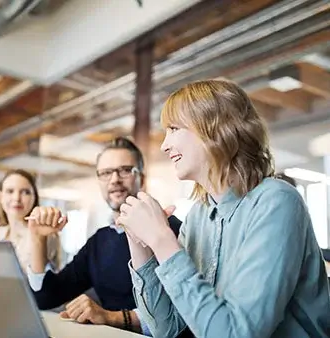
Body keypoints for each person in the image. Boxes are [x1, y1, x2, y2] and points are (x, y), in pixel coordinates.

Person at [118, 79, 330, 338]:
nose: (164, 145)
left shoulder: (277, 201)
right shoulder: (199, 215)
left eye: (173, 129)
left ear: (215, 129)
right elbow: (168, 328)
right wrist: (140, 242)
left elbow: (236, 334)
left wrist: (163, 240)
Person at [27, 137, 181, 335]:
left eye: (125, 170)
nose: (114, 179)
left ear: (141, 179)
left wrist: (110, 317)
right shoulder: (98, 242)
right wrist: (38, 238)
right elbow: (46, 298)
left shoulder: (173, 229)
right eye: (106, 173)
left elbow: (181, 312)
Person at [0, 169, 60, 272]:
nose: (16, 198)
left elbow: (39, 280)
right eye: (10, 191)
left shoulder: (45, 235)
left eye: (25, 192)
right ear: (1, 197)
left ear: (34, 197)